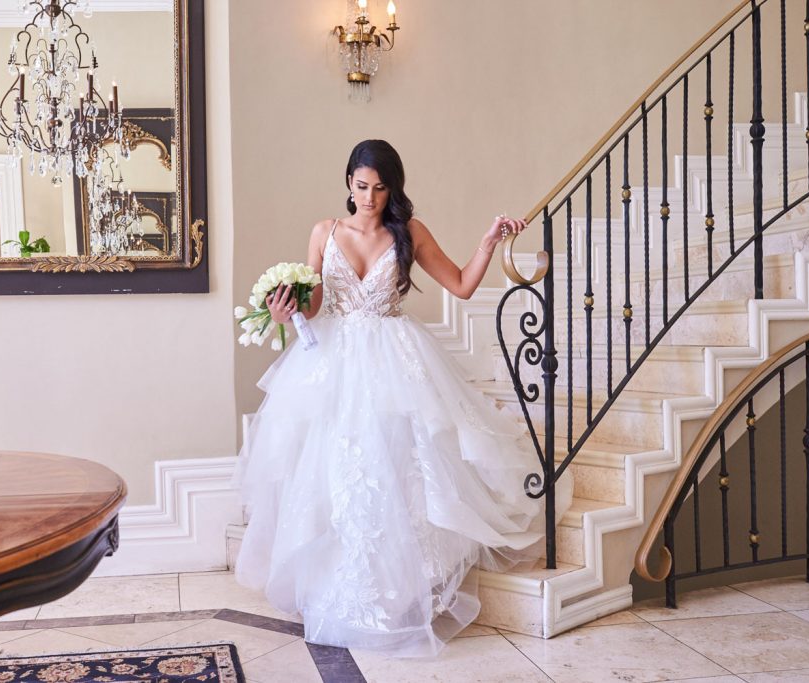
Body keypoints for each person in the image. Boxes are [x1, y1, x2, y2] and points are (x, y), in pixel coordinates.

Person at [233, 139, 571, 658]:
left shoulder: (408, 232)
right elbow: (316, 303)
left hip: (395, 364)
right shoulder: (325, 232)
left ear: (393, 187)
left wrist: (486, 241)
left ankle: (398, 595)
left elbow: (459, 285)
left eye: (380, 187)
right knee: (338, 477)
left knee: (397, 474)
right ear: (349, 182)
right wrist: (288, 314)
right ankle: (339, 592)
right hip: (335, 367)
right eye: (361, 186)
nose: (369, 197)